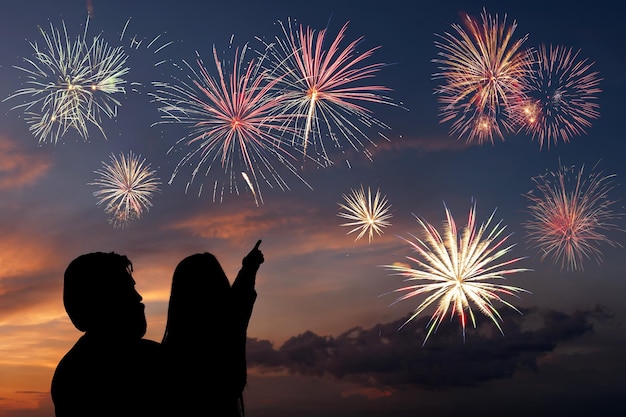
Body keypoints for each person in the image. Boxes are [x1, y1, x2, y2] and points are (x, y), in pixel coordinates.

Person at [51, 252, 165, 417]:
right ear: (103, 301)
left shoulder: (71, 372)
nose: (138, 297)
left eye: (133, 287)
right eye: (126, 289)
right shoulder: (150, 360)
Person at [161, 239, 264, 416]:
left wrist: (249, 268)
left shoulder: (163, 359)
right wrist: (249, 267)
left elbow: (239, 301)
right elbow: (239, 302)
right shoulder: (227, 334)